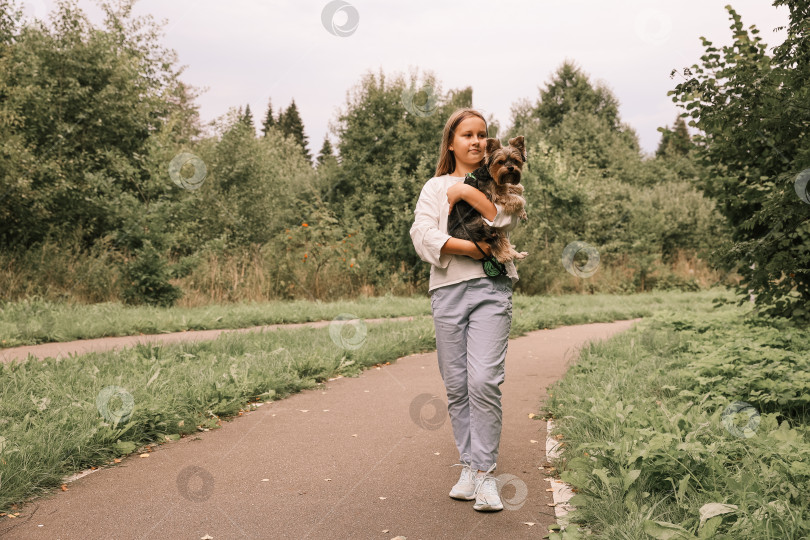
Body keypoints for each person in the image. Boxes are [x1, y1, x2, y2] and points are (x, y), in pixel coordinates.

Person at [409, 107, 521, 512]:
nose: (476, 141)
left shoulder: (497, 181)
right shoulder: (434, 187)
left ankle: (487, 476)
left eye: (482, 135)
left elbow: (504, 217)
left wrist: (468, 192)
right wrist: (478, 248)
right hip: (448, 292)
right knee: (457, 386)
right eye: (467, 135)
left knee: (484, 381)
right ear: (451, 142)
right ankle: (470, 467)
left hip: (492, 289)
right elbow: (423, 236)